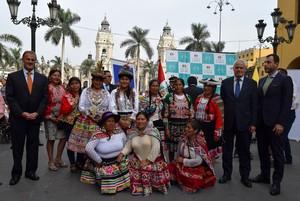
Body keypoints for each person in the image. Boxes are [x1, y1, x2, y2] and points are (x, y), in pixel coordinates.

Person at [249, 54, 293, 196]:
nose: (265, 64)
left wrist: (281, 123)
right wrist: (255, 122)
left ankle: (276, 182)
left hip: (275, 124)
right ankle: (264, 175)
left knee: (277, 153)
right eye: (265, 62)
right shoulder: (261, 80)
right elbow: (259, 103)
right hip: (262, 124)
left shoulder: (285, 80)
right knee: (262, 151)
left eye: (268, 62)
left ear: (277, 64)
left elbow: (287, 103)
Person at [6, 50, 48, 185]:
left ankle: (31, 171)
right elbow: (10, 98)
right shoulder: (13, 77)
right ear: (23, 60)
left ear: (35, 61)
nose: (30, 62)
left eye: (32, 60)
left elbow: (45, 98)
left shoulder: (42, 78)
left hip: (35, 119)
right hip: (18, 118)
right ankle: (16, 173)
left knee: (33, 146)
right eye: (28, 59)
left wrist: (38, 112)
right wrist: (21, 112)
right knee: (17, 147)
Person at [219, 59, 258, 188]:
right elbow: (223, 103)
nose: (239, 70)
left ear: (245, 69)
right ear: (233, 69)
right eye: (237, 68)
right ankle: (227, 174)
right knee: (227, 150)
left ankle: (245, 176)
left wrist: (253, 123)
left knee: (244, 151)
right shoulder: (225, 83)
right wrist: (222, 123)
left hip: (245, 123)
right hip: (228, 124)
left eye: (241, 68)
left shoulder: (252, 84)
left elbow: (254, 105)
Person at [67, 63, 111, 169]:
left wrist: (103, 116)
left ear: (102, 81)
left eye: (100, 80)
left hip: (100, 122)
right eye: (96, 80)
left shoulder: (106, 93)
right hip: (86, 120)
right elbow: (81, 106)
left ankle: (91, 165)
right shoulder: (86, 91)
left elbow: (110, 107)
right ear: (92, 80)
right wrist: (89, 115)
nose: (97, 82)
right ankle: (75, 163)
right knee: (80, 143)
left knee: (96, 145)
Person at [117, 112, 171, 197]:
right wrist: (121, 154)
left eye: (142, 119)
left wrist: (147, 161)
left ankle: (149, 185)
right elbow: (128, 146)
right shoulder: (133, 133)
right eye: (138, 119)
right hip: (138, 160)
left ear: (147, 120)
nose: (140, 121)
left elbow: (156, 148)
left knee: (146, 167)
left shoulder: (153, 131)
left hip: (153, 160)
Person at [81, 111, 130, 194]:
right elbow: (88, 148)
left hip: (119, 160)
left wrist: (122, 155)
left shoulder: (120, 132)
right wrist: (99, 161)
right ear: (104, 123)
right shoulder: (98, 134)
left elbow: (126, 145)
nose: (111, 123)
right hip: (104, 163)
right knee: (109, 188)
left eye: (113, 121)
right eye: (108, 121)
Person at [168, 119, 216, 193]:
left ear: (195, 130)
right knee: (170, 167)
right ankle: (177, 178)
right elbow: (179, 153)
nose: (186, 129)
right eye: (186, 127)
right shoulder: (183, 138)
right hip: (184, 163)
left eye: (189, 128)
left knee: (191, 179)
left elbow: (198, 161)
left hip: (196, 166)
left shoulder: (199, 143)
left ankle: (180, 179)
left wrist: (183, 161)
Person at [163, 78, 194, 162]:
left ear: (183, 86)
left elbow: (192, 111)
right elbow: (165, 115)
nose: (178, 86)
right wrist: (167, 129)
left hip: (185, 127)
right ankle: (171, 166)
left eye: (180, 84)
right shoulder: (169, 97)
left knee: (184, 148)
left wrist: (190, 116)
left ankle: (181, 166)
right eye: (176, 84)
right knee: (172, 149)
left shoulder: (188, 97)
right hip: (172, 126)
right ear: (173, 85)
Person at [194, 78, 223, 166]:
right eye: (205, 86)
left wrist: (217, 132)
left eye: (209, 87)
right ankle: (199, 172)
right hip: (199, 127)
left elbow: (220, 117)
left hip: (210, 128)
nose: (206, 88)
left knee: (210, 152)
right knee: (198, 151)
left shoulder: (217, 99)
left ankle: (210, 173)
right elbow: (195, 110)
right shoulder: (199, 97)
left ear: (213, 88)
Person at [44, 70, 67, 171]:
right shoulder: (46, 88)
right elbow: (44, 103)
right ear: (50, 76)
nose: (57, 77)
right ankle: (51, 161)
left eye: (58, 75)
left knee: (63, 138)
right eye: (54, 75)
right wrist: (50, 117)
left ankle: (58, 158)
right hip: (50, 117)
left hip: (61, 117)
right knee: (51, 139)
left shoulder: (62, 88)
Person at [57, 77, 82, 173]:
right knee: (70, 143)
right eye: (72, 83)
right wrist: (74, 101)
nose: (75, 85)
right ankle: (72, 163)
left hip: (81, 122)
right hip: (69, 123)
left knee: (81, 142)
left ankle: (79, 161)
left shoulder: (83, 95)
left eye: (76, 83)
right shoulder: (66, 96)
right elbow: (64, 110)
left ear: (79, 84)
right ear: (69, 85)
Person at [277, 68, 299, 164]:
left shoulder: (290, 84)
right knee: (284, 136)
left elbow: (289, 101)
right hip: (285, 112)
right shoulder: (284, 84)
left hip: (288, 113)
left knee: (281, 136)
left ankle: (279, 159)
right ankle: (288, 158)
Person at [139, 79, 166, 156]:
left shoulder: (162, 98)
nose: (155, 88)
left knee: (160, 143)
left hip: (160, 123)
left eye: (157, 86)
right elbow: (142, 112)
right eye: (153, 86)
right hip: (149, 123)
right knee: (150, 143)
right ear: (150, 87)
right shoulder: (144, 99)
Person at [110, 64, 138, 134]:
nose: (124, 81)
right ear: (119, 80)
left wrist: (129, 120)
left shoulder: (134, 92)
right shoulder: (114, 92)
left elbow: (136, 108)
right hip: (118, 120)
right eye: (122, 79)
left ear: (129, 81)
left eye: (126, 79)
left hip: (131, 121)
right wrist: (120, 121)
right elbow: (112, 108)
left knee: (130, 140)